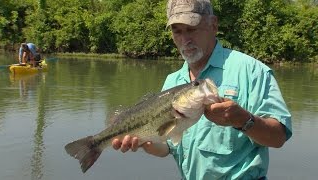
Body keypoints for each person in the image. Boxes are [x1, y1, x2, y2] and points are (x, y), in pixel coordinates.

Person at [112, 0, 292, 179]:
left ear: (213, 25)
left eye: (191, 29)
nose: (185, 39)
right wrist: (143, 141)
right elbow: (167, 147)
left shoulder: (251, 70)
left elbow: (278, 138)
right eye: (177, 31)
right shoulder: (172, 81)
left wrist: (243, 120)